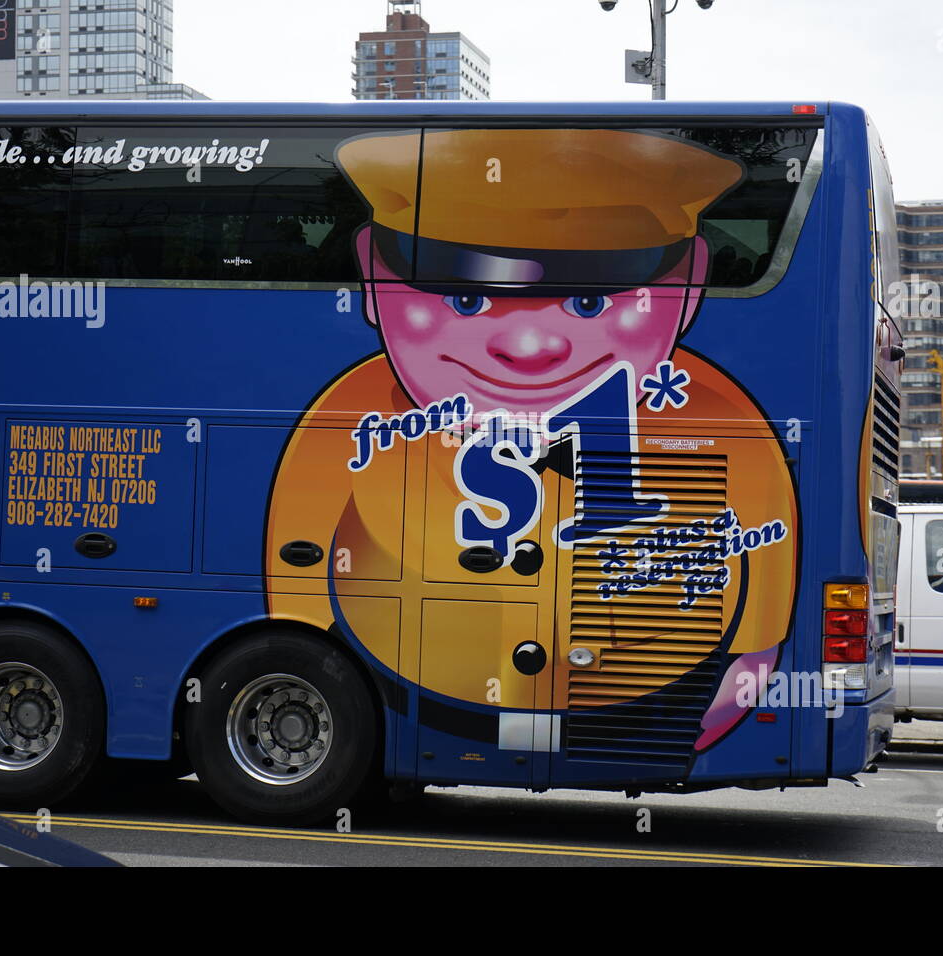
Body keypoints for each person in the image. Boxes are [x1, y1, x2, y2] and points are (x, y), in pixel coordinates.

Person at [265, 128, 798, 758]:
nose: (527, 347)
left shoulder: (721, 423)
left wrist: (689, 734)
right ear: (374, 275)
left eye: (590, 297)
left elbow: (756, 638)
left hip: (645, 710)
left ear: (691, 281)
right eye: (464, 297)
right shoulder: (350, 415)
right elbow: (294, 603)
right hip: (403, 706)